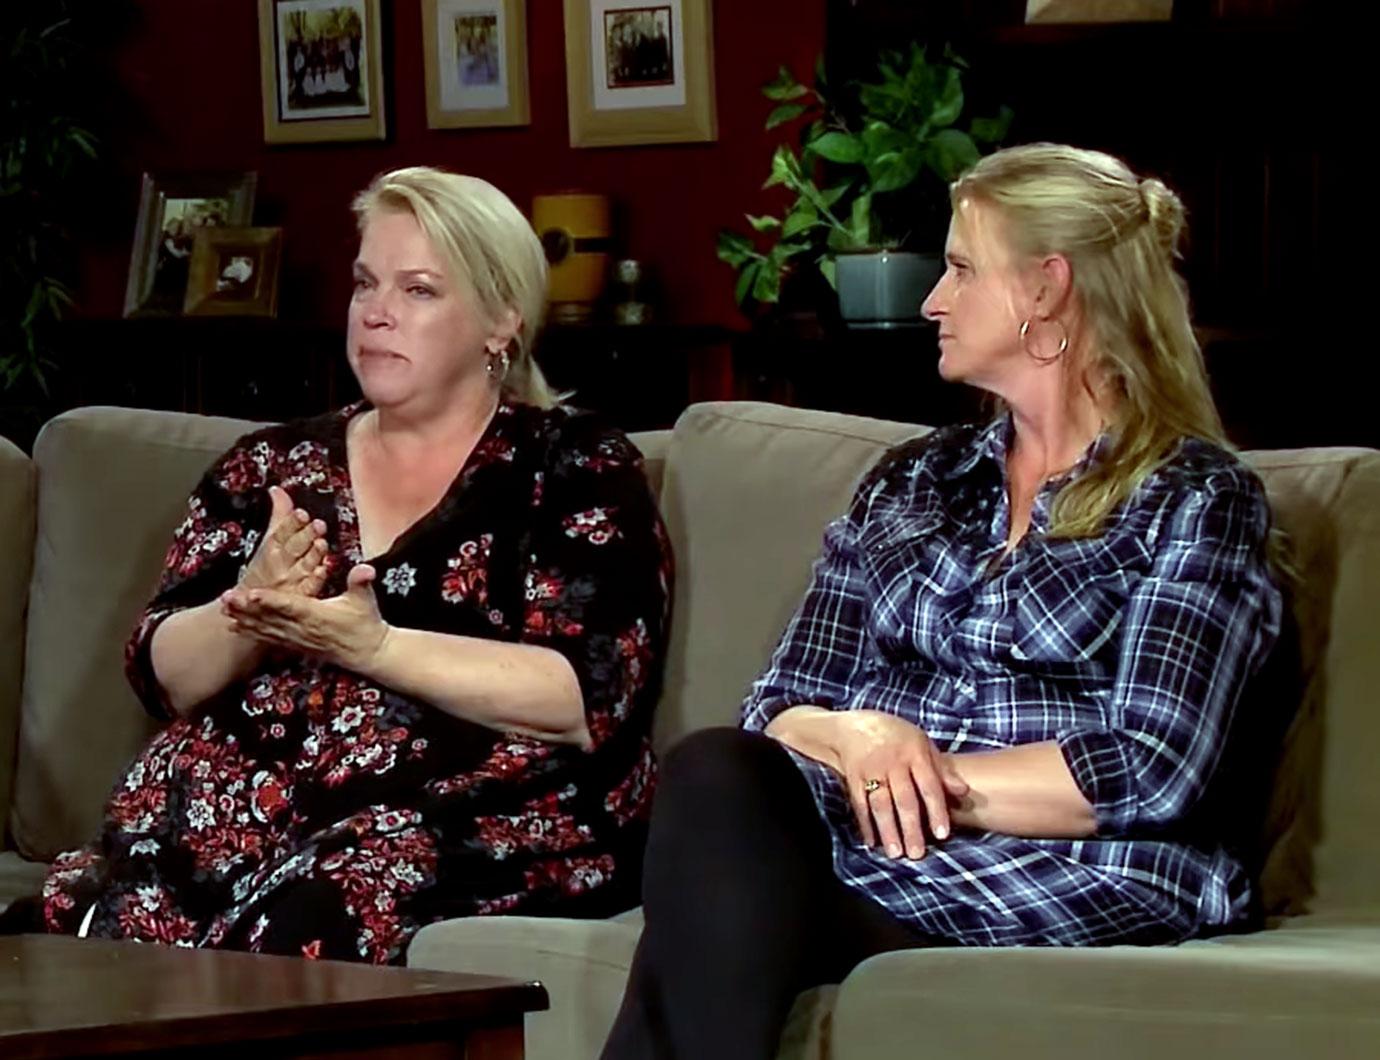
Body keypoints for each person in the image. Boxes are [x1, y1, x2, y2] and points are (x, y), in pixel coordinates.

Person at [600, 143, 1288, 1058]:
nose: (932, 298)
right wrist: (860, 739)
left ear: (1046, 287)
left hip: (1067, 874)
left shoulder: (1193, 498)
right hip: (877, 859)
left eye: (961, 269)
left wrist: (921, 785)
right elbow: (776, 709)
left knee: (707, 924)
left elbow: (1151, 765)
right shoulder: (914, 484)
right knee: (715, 774)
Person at [19, 167, 673, 964]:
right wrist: (247, 607)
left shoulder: (574, 470)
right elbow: (164, 675)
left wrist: (373, 648)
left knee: (325, 897)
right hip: (240, 807)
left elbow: (582, 698)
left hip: (471, 816)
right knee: (134, 888)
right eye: (366, 282)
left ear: (502, 319)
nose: (377, 312)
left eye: (419, 290)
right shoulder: (269, 467)